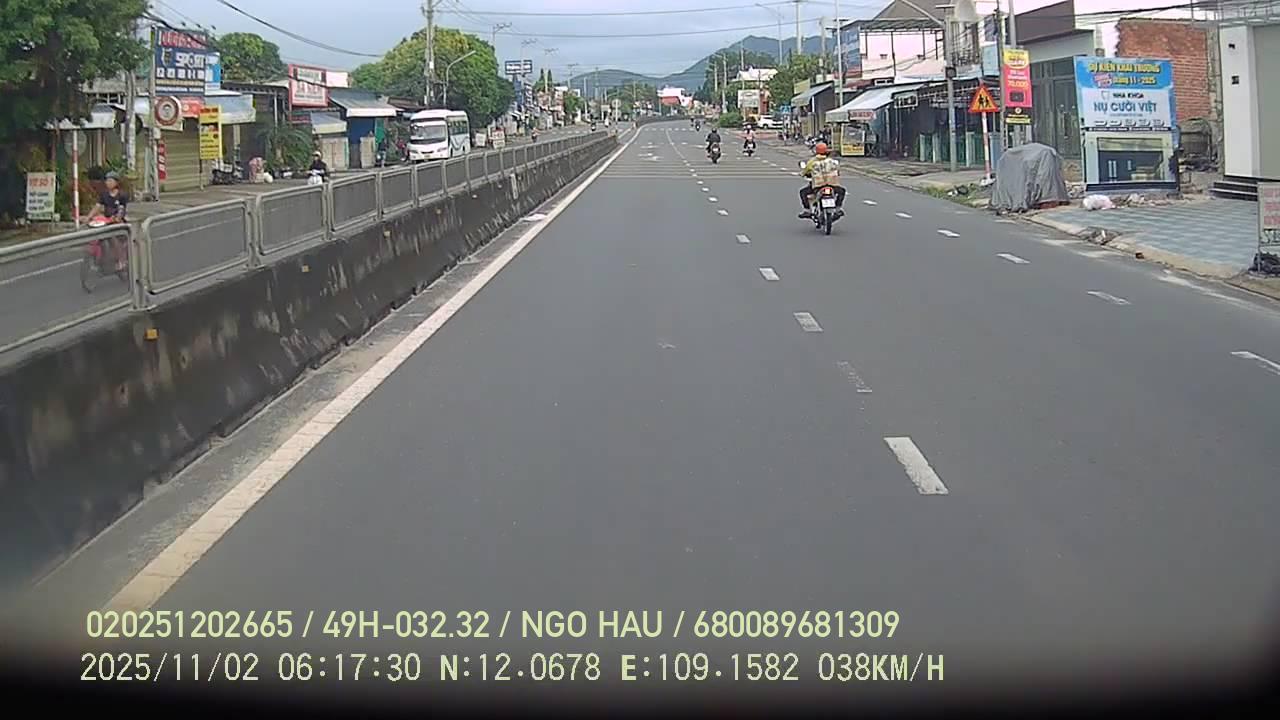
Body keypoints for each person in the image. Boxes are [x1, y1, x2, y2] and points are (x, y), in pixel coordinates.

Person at [84, 171, 129, 271]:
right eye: (107, 180)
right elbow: (97, 207)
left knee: (113, 237)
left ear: (116, 182)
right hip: (106, 220)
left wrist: (117, 218)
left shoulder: (122, 195)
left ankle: (121, 260)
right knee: (97, 235)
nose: (108, 183)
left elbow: (122, 209)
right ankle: (98, 259)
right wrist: (89, 217)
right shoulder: (104, 194)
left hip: (118, 222)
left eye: (110, 181)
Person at [798, 142, 846, 218]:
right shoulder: (832, 161)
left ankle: (807, 211)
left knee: (803, 192)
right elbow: (837, 171)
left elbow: (805, 171)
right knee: (842, 191)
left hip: (818, 185)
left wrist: (802, 174)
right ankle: (838, 209)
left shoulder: (812, 162)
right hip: (832, 185)